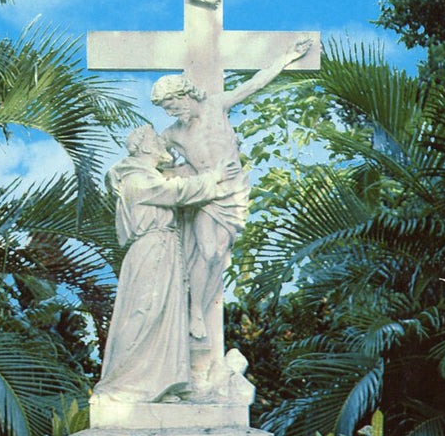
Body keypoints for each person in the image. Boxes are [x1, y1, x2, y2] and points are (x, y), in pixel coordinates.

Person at [151, 38, 312, 340]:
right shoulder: (171, 134)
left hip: (234, 192)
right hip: (207, 194)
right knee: (207, 250)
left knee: (218, 255)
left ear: (184, 95)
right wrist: (182, 174)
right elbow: (156, 164)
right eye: (165, 109)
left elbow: (254, 84)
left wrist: (287, 57)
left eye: (171, 105)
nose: (171, 112)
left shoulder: (216, 106)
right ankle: (195, 311)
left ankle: (198, 306)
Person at [92, 125, 239, 403]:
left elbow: (177, 186)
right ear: (145, 147)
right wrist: (214, 176)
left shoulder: (146, 175)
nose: (163, 143)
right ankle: (121, 384)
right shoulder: (135, 179)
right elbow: (174, 192)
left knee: (166, 317)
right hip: (151, 249)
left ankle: (159, 385)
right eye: (156, 140)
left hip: (165, 248)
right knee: (144, 312)